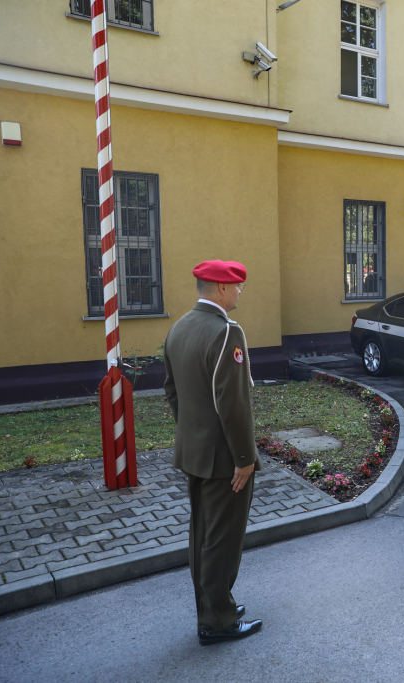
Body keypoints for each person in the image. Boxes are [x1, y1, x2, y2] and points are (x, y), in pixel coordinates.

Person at [163, 260, 263, 645]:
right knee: (222, 540)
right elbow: (233, 404)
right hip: (226, 460)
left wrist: (195, 433)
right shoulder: (226, 334)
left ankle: (210, 606)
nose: (239, 292)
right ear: (220, 288)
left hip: (195, 452)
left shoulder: (179, 328)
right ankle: (218, 621)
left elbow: (173, 392)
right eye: (237, 286)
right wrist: (245, 458)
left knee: (202, 534)